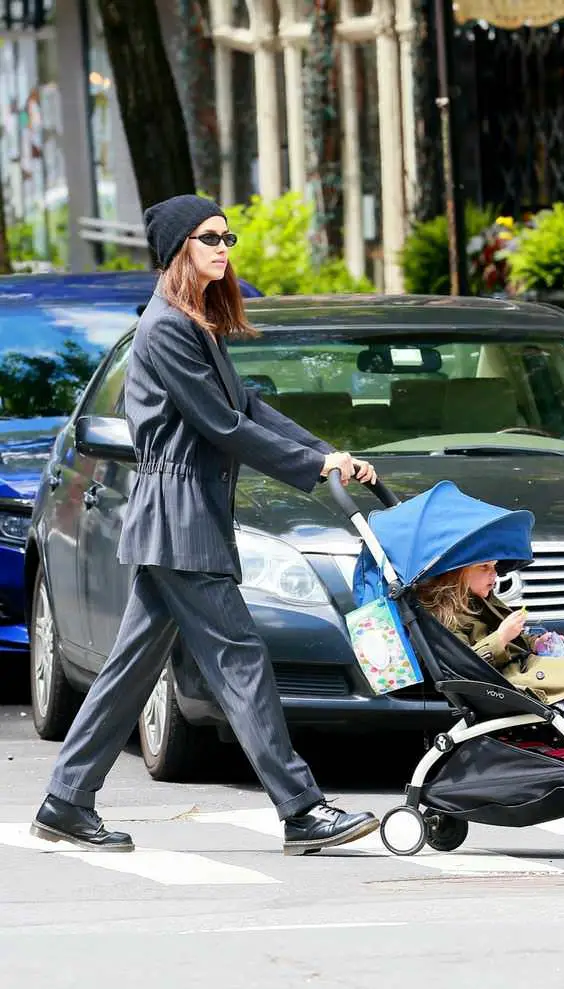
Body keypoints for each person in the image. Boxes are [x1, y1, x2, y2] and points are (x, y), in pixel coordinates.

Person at [31, 194, 380, 855]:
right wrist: (312, 464)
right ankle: (302, 809)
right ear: (175, 249)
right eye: (209, 237)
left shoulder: (194, 324)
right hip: (181, 519)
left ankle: (65, 800)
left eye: (228, 236)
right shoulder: (165, 329)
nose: (223, 247)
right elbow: (223, 427)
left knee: (130, 671)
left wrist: (327, 455)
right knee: (241, 661)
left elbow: (246, 405)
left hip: (181, 519)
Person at [416, 560, 564, 776]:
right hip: (500, 682)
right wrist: (501, 637)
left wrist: (534, 642)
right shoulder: (445, 616)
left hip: (519, 667)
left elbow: (515, 642)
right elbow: (465, 665)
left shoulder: (481, 599)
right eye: (485, 568)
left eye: (495, 568)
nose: (494, 575)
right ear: (458, 573)